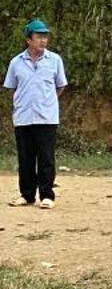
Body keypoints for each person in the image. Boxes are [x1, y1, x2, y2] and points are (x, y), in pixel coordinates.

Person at [4, 18, 67, 210]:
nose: (43, 40)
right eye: (39, 36)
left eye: (45, 37)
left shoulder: (54, 60)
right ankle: (27, 194)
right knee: (25, 158)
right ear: (28, 40)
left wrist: (46, 101)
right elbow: (12, 88)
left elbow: (60, 86)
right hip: (23, 117)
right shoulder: (16, 62)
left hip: (46, 116)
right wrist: (24, 102)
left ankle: (47, 195)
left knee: (46, 157)